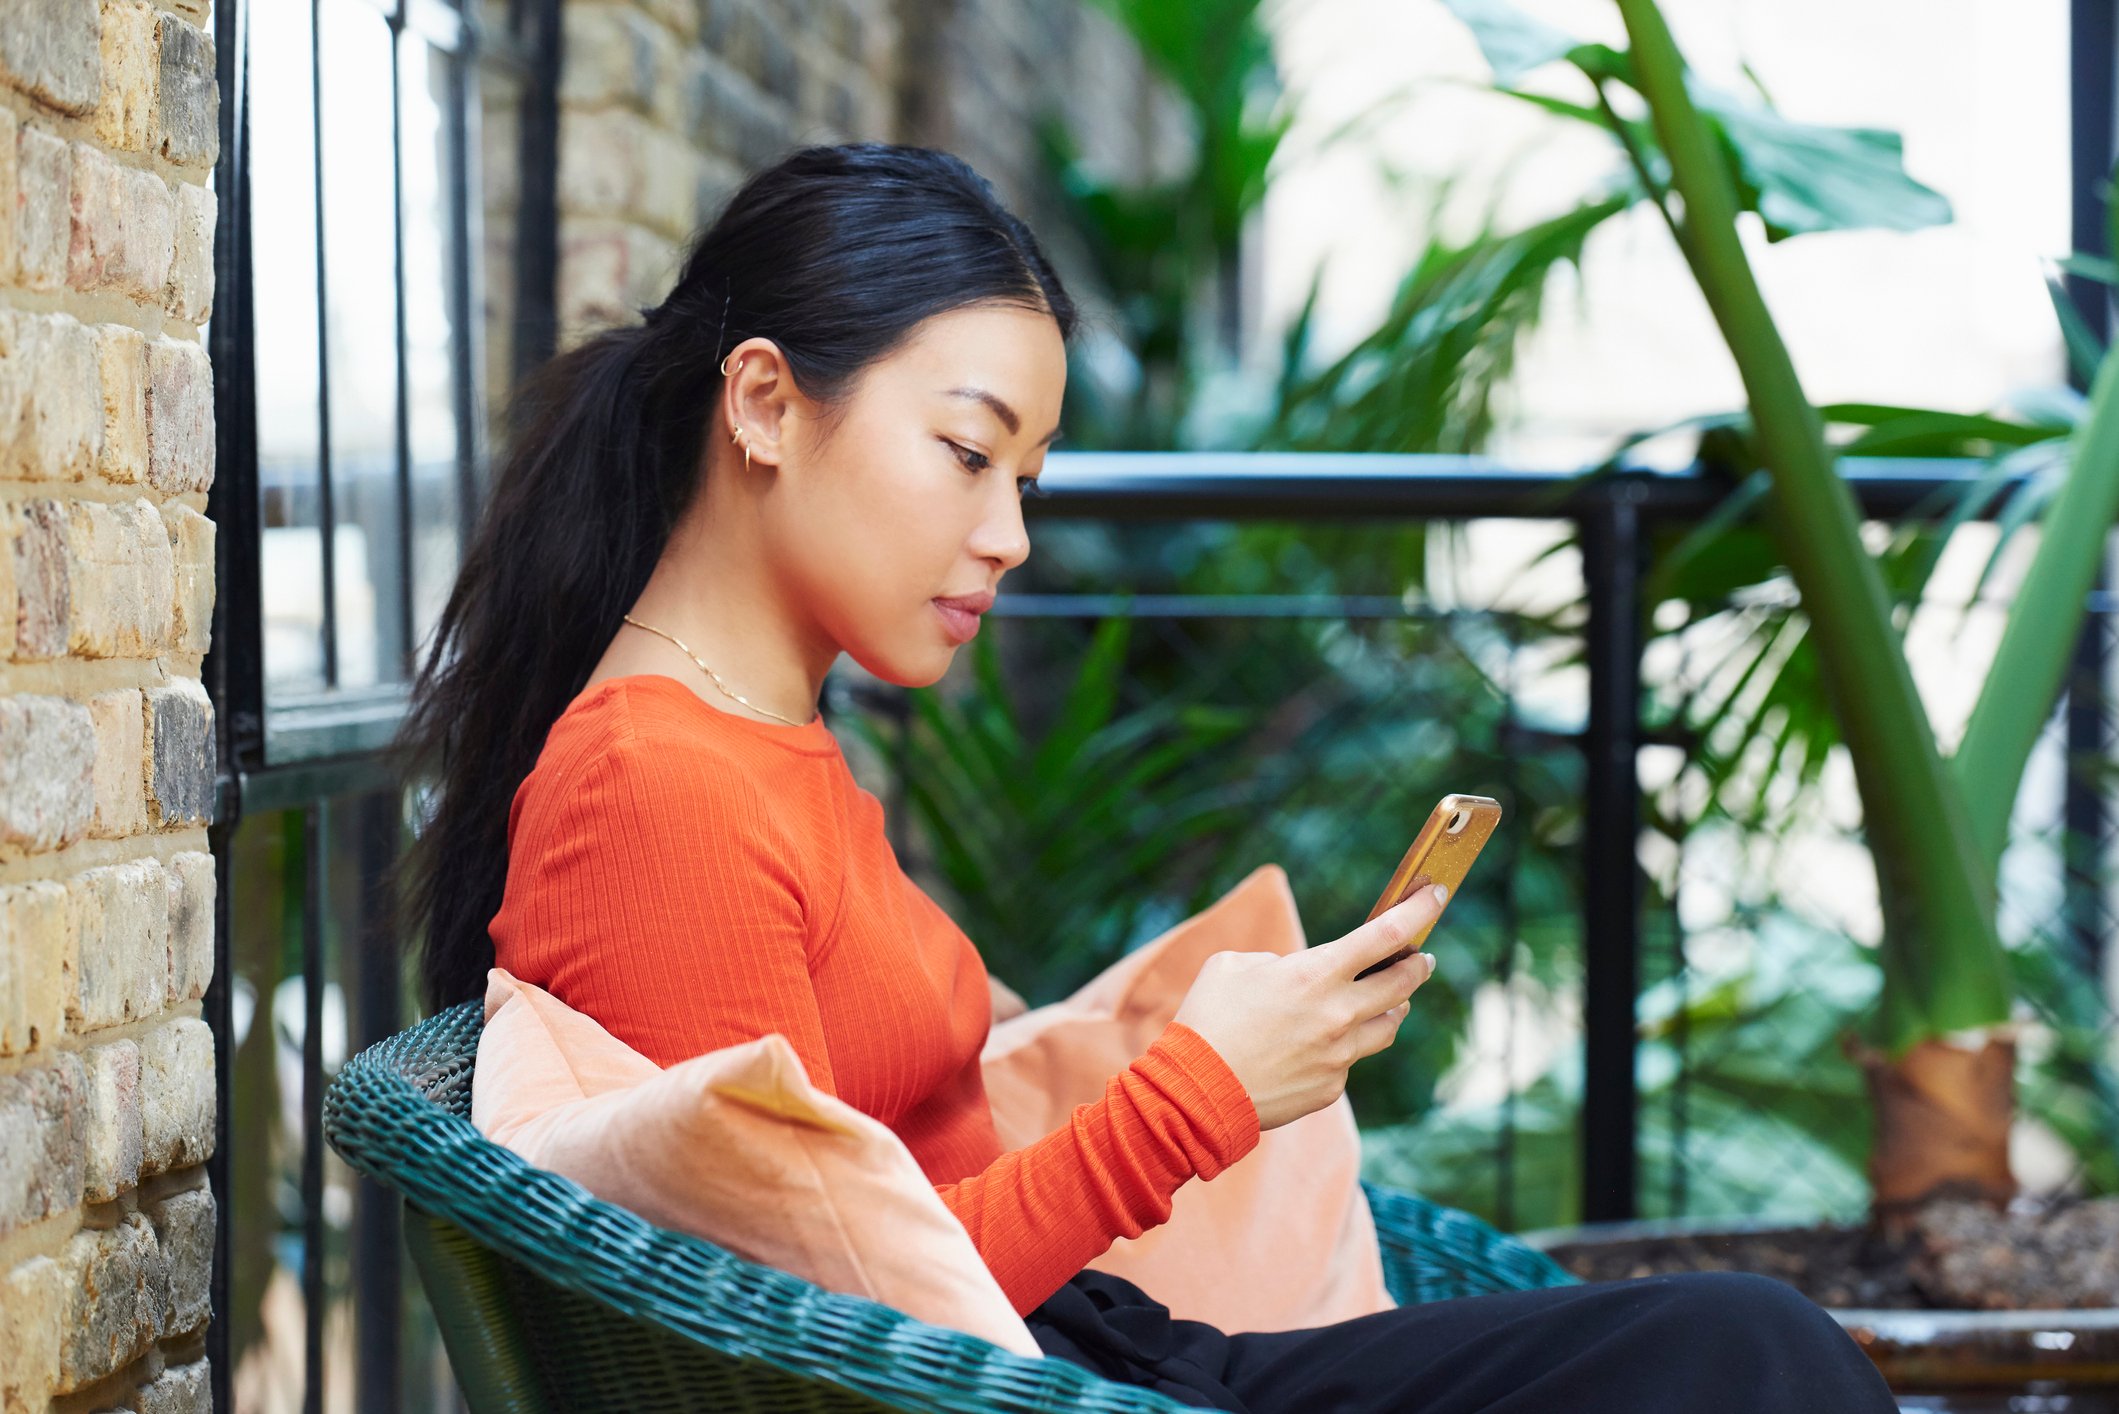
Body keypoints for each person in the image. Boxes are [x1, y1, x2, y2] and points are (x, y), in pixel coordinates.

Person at [390, 141, 1900, 1412]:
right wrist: (1200, 1098)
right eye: (969, 454)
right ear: (768, 403)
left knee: (1741, 1347)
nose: (1010, 534)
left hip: (1085, 1355)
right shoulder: (649, 788)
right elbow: (825, 1324)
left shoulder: (760, 740)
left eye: (1027, 480)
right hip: (1031, 1379)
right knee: (1750, 1354)